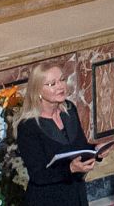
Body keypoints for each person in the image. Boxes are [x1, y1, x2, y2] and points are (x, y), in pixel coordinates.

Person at [15, 61, 97, 206]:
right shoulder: (28, 126)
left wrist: (96, 151)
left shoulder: (69, 110)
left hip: (76, 194)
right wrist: (70, 168)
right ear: (37, 91)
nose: (60, 86)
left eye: (62, 80)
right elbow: (38, 175)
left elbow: (80, 147)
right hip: (48, 199)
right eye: (52, 84)